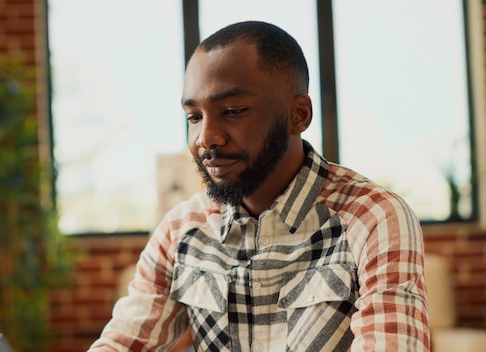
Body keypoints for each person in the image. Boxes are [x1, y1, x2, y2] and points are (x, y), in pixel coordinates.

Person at [88, 21, 429, 352]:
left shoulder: (373, 220)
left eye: (233, 111)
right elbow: (122, 343)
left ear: (299, 114)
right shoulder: (181, 231)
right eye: (194, 117)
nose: (206, 139)